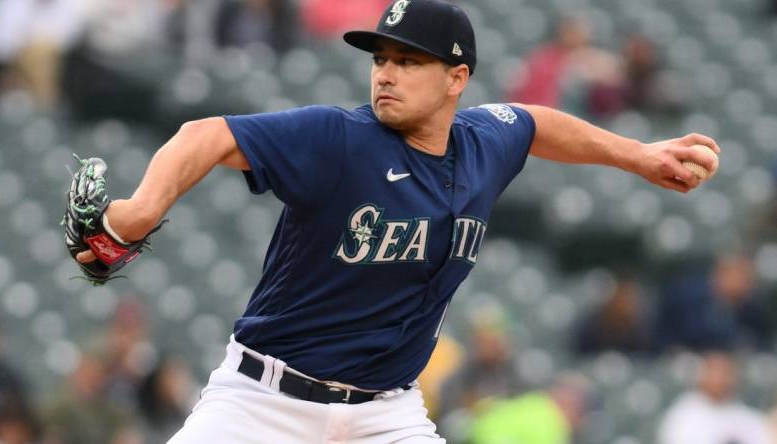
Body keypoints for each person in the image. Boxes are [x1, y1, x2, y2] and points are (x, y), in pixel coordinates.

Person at [73, 0, 720, 442]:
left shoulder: (482, 144)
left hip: (387, 415)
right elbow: (202, 135)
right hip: (263, 403)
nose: (385, 73)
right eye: (380, 58)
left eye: (408, 61)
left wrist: (639, 155)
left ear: (455, 78)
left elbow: (536, 124)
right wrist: (135, 212)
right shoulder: (338, 138)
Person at [657, 351, 772, 444]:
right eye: (714, 371)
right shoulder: (683, 413)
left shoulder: (748, 417)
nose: (719, 378)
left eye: (725, 372)